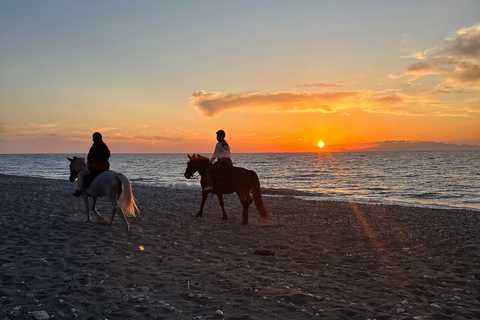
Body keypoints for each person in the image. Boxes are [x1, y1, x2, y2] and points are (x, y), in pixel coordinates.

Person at [73, 132, 111, 196]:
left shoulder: (93, 148)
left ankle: (79, 190)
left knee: (80, 174)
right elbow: (108, 156)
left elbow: (89, 158)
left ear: (94, 139)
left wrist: (89, 163)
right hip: (105, 166)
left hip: (95, 167)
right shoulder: (105, 147)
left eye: (93, 138)